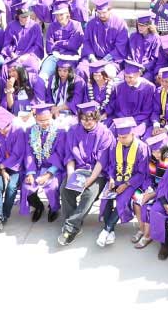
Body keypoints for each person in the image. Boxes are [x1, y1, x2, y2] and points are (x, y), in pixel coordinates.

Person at [55, 101, 114, 247]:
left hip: (97, 173)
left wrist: (91, 180)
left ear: (96, 118)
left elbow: (102, 161)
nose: (87, 122)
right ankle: (74, 224)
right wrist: (70, 176)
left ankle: (70, 227)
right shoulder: (73, 131)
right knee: (66, 189)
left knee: (89, 194)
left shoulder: (105, 133)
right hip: (78, 169)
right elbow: (69, 156)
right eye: (84, 119)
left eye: (91, 119)